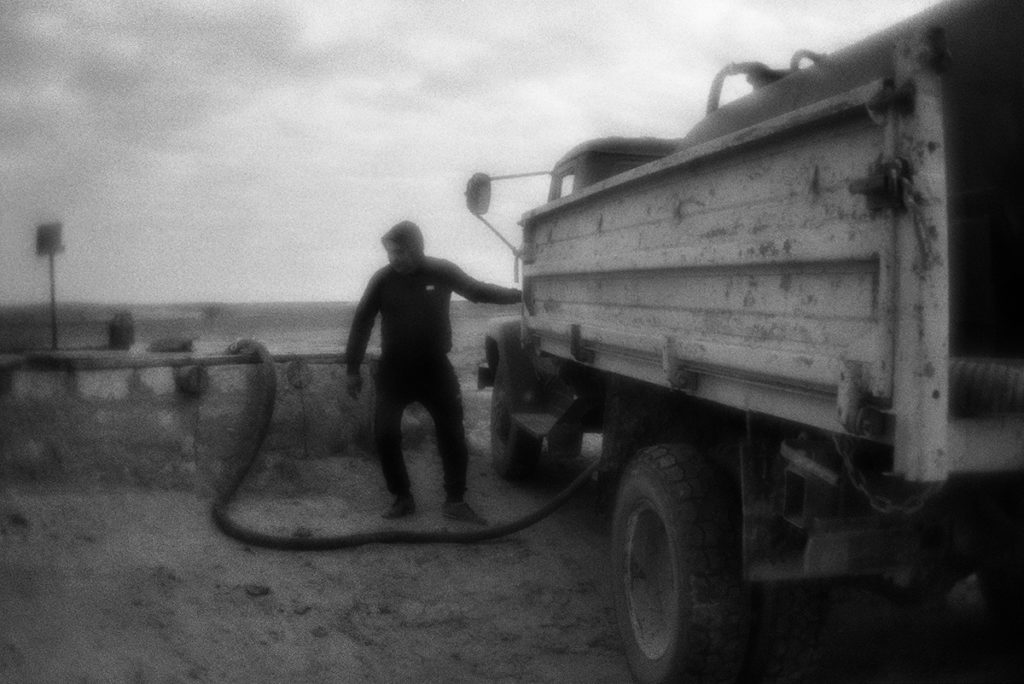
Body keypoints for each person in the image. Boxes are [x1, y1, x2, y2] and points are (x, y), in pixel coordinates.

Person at [345, 220, 522, 524]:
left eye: (399, 252)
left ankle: (455, 500)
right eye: (390, 252)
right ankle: (402, 497)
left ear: (416, 248)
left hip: (434, 368)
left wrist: (518, 296)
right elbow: (362, 321)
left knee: (452, 434)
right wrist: (352, 368)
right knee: (385, 435)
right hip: (394, 370)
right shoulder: (383, 280)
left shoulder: (441, 271)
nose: (393, 258)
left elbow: (476, 291)